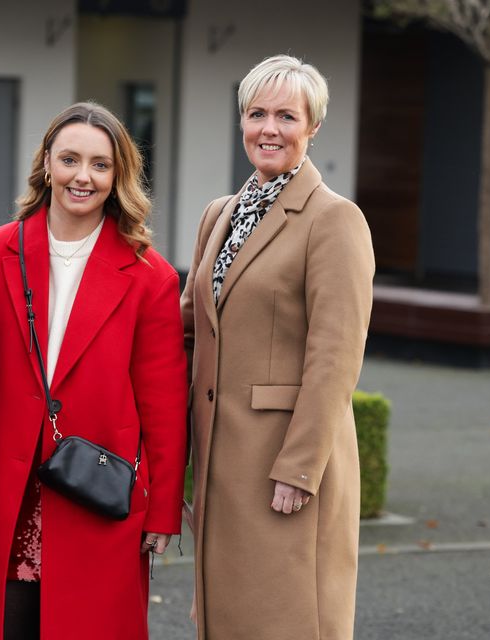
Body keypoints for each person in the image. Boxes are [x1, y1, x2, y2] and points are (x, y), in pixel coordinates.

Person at [0, 102, 188, 640]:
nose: (83, 176)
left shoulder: (150, 276)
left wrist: (163, 511)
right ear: (47, 166)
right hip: (2, 487)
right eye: (70, 160)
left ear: (117, 176)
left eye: (100, 165)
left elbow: (166, 404)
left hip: (97, 490)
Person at [181, 54, 374, 640]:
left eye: (286, 116)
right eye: (257, 113)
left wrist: (299, 468)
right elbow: (189, 328)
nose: (269, 128)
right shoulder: (221, 213)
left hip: (283, 466)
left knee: (286, 618)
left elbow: (335, 357)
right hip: (222, 460)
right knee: (228, 618)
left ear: (313, 127)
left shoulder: (334, 219)